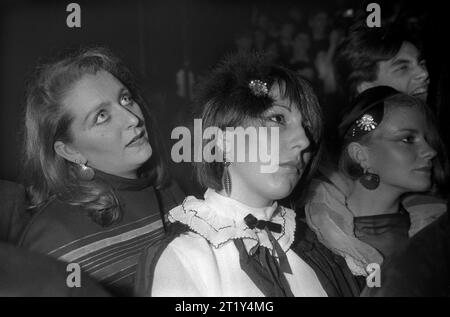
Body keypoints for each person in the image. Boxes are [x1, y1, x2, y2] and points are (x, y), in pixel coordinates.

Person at [136, 52, 327, 297]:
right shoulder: (184, 259)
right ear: (224, 139)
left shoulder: (314, 243)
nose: (304, 141)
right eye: (277, 118)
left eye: (308, 127)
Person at [18, 47, 184, 296]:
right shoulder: (55, 241)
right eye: (102, 116)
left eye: (126, 99)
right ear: (70, 151)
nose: (132, 119)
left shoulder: (170, 191)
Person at [304, 86, 448, 283]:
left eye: (427, 139)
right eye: (408, 139)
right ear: (361, 155)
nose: (430, 151)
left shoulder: (436, 230)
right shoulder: (311, 238)